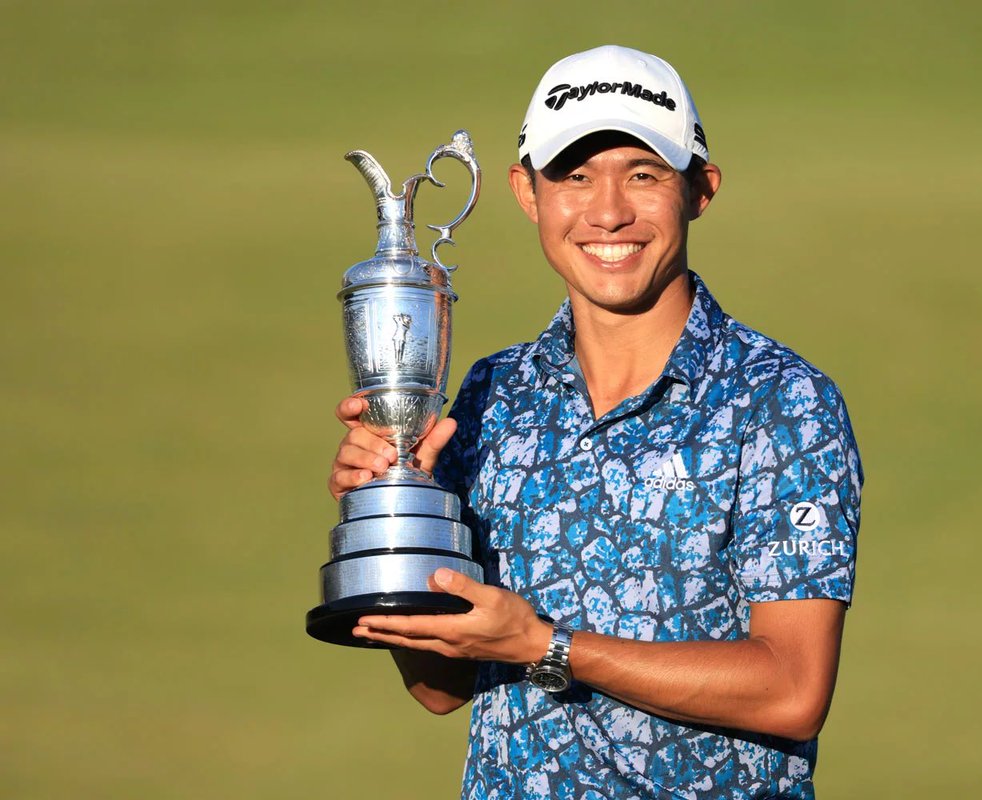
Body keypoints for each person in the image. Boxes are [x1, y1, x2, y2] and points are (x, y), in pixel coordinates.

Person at [328, 45, 864, 800]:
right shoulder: (491, 393)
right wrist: (389, 514)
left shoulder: (782, 402)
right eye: (574, 177)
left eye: (642, 175)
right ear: (527, 192)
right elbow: (443, 688)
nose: (608, 211)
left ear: (699, 190)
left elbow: (792, 689)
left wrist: (546, 646)